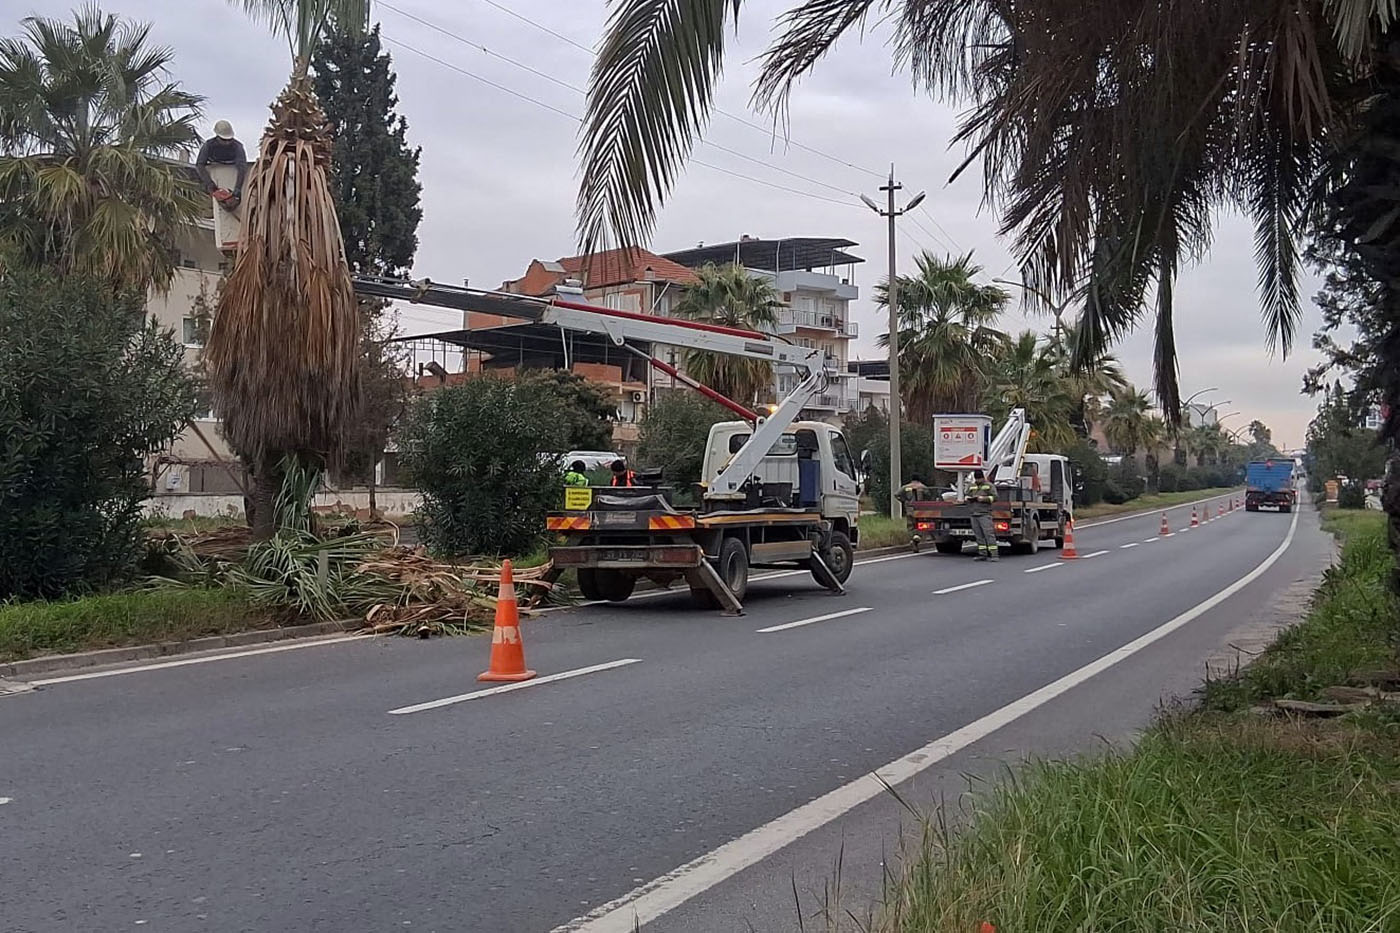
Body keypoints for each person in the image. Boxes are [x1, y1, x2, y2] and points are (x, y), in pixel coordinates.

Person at [195, 120, 248, 210]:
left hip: (232, 173)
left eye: (229, 140)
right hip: (214, 173)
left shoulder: (237, 146)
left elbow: (242, 167)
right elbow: (199, 165)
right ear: (217, 136)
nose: (227, 143)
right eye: (224, 140)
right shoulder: (208, 145)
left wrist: (238, 188)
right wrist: (210, 184)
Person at [966, 469, 999, 562]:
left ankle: (994, 554)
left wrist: (984, 499)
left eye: (979, 478)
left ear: (983, 477)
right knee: (979, 536)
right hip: (974, 513)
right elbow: (967, 494)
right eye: (976, 479)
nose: (978, 480)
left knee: (989, 534)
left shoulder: (989, 486)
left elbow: (995, 497)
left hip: (984, 514)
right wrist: (967, 498)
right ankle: (982, 554)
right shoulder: (971, 486)